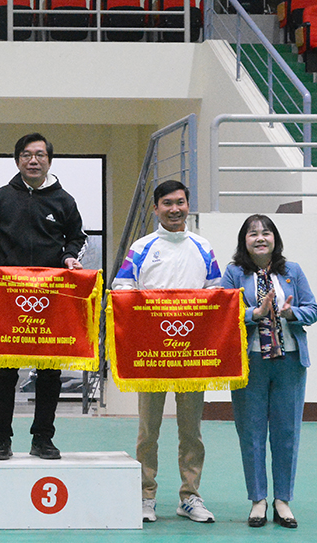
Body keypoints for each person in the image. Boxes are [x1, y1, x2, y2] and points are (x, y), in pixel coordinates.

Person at [111, 180, 221, 524]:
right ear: (156, 208)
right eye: (167, 203)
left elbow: (216, 292)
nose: (175, 209)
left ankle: (190, 496)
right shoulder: (142, 247)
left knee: (191, 431)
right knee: (149, 430)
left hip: (191, 354)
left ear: (188, 205)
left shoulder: (203, 247)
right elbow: (122, 286)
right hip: (152, 355)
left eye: (180, 202)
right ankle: (147, 495)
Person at [0, 133, 87, 461]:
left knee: (49, 371)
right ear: (17, 160)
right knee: (5, 372)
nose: (32, 160)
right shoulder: (0, 198)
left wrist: (68, 256)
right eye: (26, 155)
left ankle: (43, 439)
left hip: (51, 297)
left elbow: (76, 236)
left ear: (49, 160)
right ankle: (0, 439)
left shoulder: (64, 201)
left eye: (39, 155)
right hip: (9, 295)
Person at [221, 214, 317, 529]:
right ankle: (258, 501)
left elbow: (313, 310)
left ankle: (283, 501)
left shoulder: (293, 271)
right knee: (250, 433)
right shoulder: (234, 273)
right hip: (250, 363)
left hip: (290, 361)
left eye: (266, 233)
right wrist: (255, 313)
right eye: (253, 234)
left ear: (275, 239)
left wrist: (292, 312)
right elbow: (223, 313)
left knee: (287, 432)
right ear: (244, 241)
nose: (260, 238)